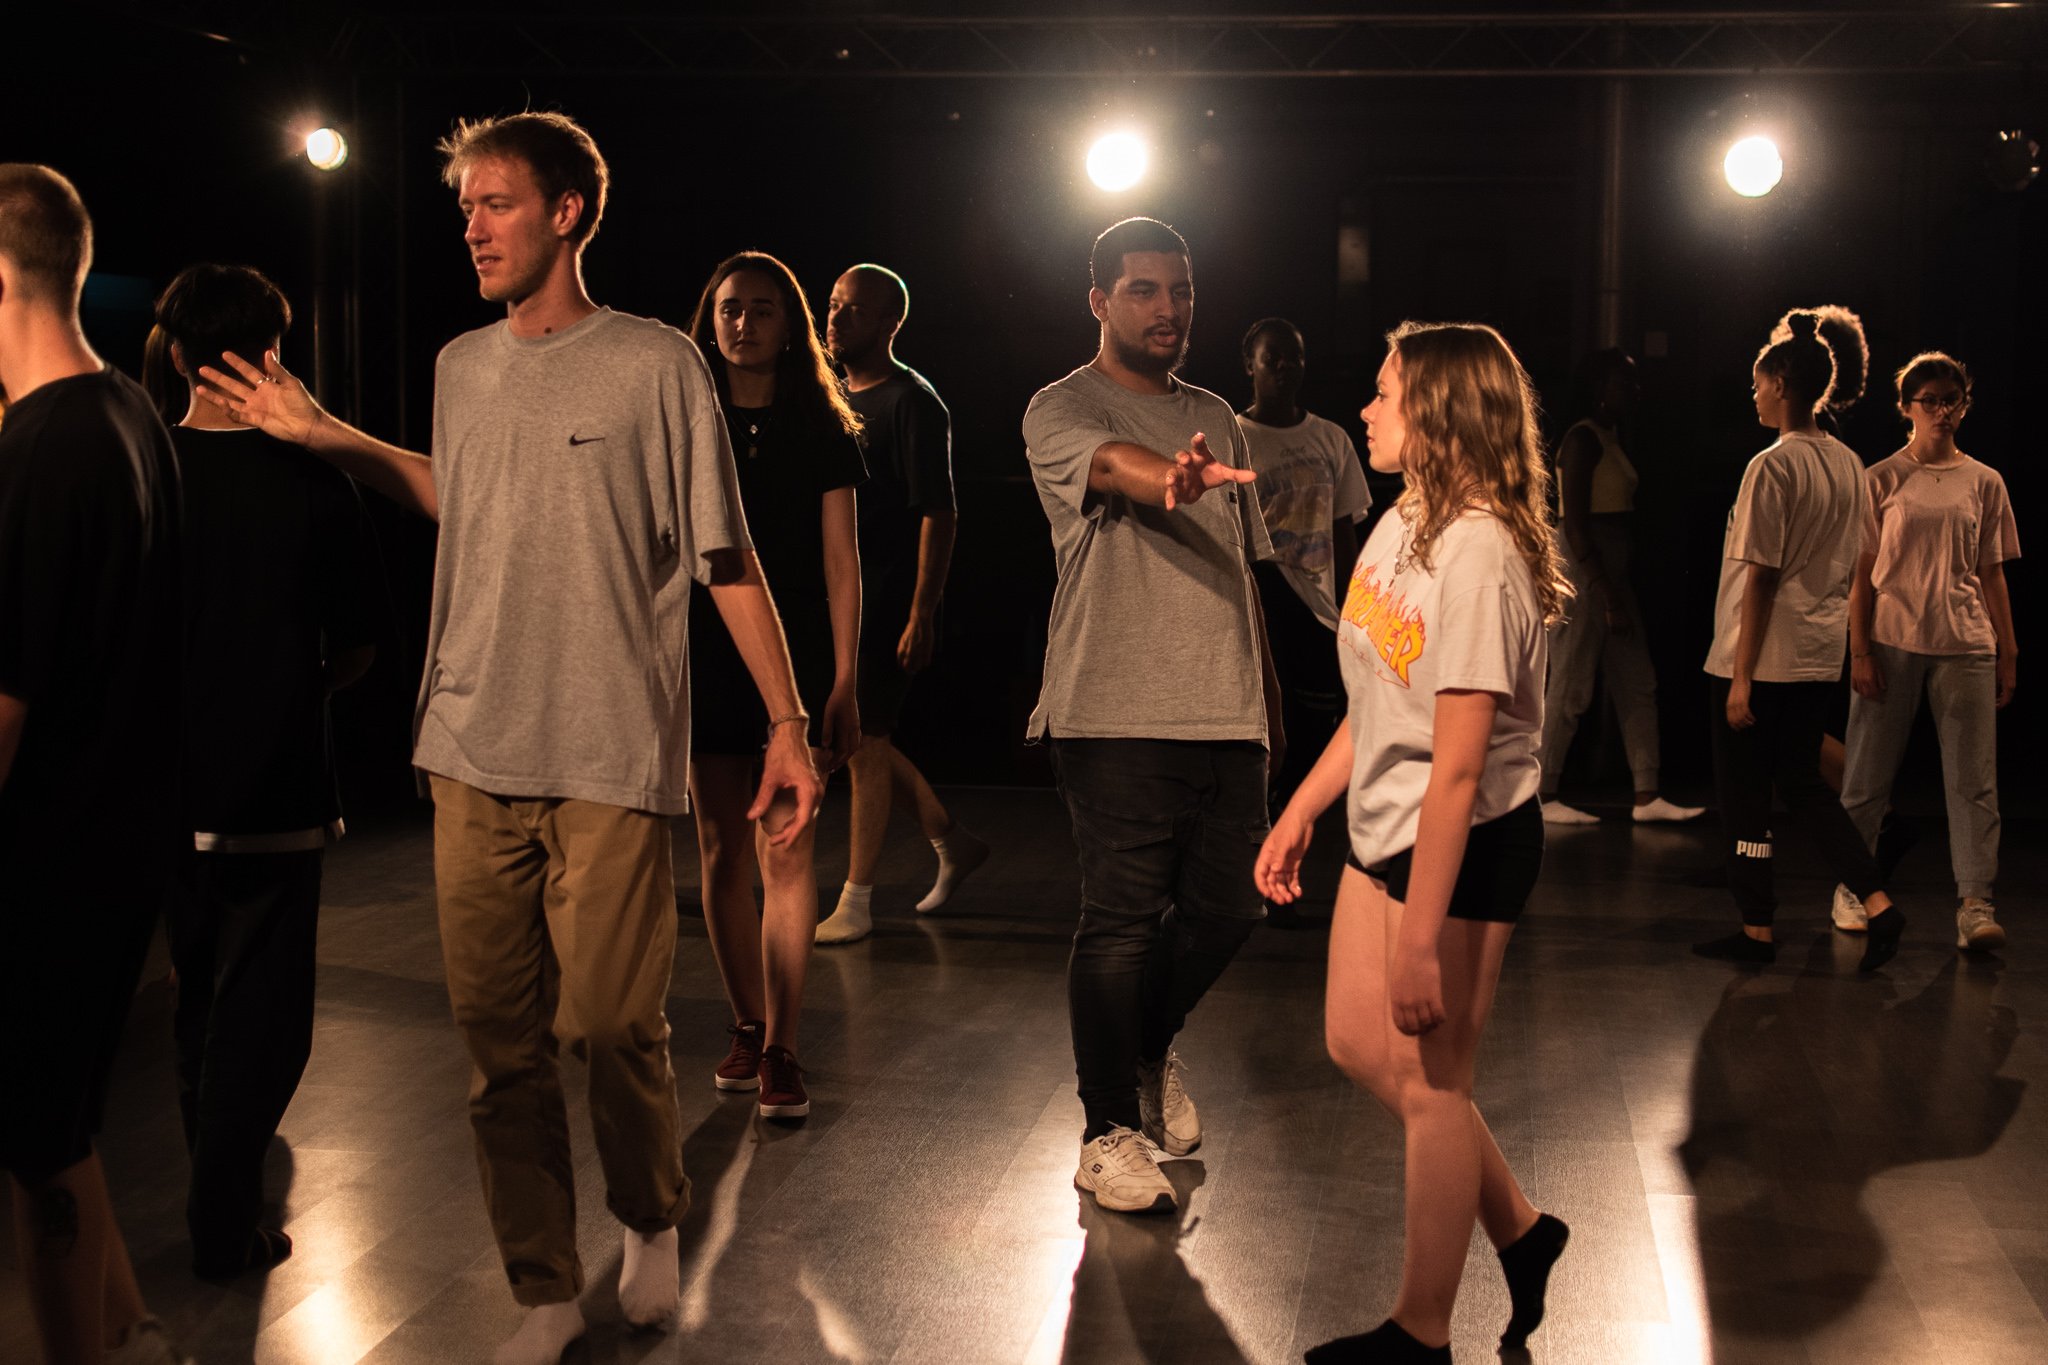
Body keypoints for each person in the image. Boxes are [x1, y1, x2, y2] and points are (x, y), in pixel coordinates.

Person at [196, 113, 824, 1365]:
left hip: (605, 757)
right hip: (467, 751)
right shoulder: (459, 365)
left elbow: (725, 556)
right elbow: (462, 490)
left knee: (608, 1028)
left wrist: (789, 725)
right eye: (465, 208)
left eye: (495, 204)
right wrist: (332, 438)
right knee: (500, 1052)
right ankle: (542, 1286)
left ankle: (647, 1211)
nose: (473, 228)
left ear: (566, 213)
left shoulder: (655, 366)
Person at [1258, 321, 1573, 1364]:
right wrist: (1303, 807)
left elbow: (1457, 765)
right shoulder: (1403, 521)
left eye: (1384, 393)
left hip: (1466, 842)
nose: (1366, 410)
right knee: (1357, 1043)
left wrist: (1417, 936)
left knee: (1435, 1088)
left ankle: (1420, 1334)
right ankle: (1521, 1237)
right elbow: (1378, 698)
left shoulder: (1479, 552)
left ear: (1437, 413)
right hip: (1385, 822)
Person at [1022, 216, 1279, 1215]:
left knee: (1230, 909)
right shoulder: (1060, 406)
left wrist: (1261, 699)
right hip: (1113, 707)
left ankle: (1140, 1051)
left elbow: (1244, 571)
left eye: (1178, 291)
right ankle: (1103, 1132)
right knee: (1122, 924)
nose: (1166, 308)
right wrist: (1162, 478)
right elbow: (1109, 469)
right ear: (1098, 302)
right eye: (1141, 291)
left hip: (1225, 707)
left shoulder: (1217, 410)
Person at [152, 264, 383, 1279]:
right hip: (280, 785)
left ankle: (221, 1192)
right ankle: (221, 1209)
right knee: (269, 1016)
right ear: (275, 353)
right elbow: (363, 643)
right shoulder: (314, 480)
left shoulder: (142, 469)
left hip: (162, 789)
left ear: (171, 353)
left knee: (195, 995)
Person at [0, 163, 193, 1365]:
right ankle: (131, 1334)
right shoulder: (128, 413)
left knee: (37, 1139)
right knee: (63, 1121)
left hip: (48, 859)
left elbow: (8, 702)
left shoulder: (40, 449)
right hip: (118, 847)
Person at [685, 251, 864, 1118]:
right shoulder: (686, 420)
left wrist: (844, 675)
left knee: (787, 851)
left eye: (761, 309)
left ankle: (785, 1045)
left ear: (790, 324)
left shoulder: (819, 425)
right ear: (708, 319)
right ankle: (748, 1024)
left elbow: (842, 564)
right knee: (722, 848)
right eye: (728, 309)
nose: (742, 323)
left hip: (793, 658)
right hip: (703, 652)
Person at [1694, 312, 1906, 973]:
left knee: (1746, 798)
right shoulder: (1848, 463)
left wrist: (1740, 675)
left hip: (1762, 655)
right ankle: (1877, 902)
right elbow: (1854, 561)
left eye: (1759, 383)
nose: (1753, 394)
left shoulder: (1772, 466)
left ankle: (1757, 929)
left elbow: (1759, 576)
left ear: (1782, 382)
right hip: (1817, 655)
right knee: (1807, 786)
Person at [814, 262, 986, 944]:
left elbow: (938, 513)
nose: (837, 318)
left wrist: (921, 611)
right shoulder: (829, 394)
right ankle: (951, 837)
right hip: (841, 594)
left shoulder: (915, 401)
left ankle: (857, 897)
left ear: (891, 322)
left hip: (888, 598)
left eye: (854, 309)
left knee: (866, 740)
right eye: (832, 305)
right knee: (863, 742)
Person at [1837, 352, 2018, 951]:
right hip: (1893, 638)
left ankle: (1974, 901)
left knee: (1973, 780)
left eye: (1952, 399)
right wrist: (1859, 649)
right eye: (1931, 400)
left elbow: (1991, 573)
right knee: (1867, 775)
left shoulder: (1984, 481)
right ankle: (1854, 887)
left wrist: (2008, 651)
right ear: (1907, 408)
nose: (1942, 410)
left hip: (1965, 642)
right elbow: (1862, 574)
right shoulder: (1882, 477)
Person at [1539, 349, 1701, 825]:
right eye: (1622, 383)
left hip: (1612, 567)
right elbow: (1574, 525)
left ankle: (1647, 794)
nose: (1633, 392)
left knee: (1637, 680)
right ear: (1598, 387)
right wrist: (1604, 590)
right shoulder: (1582, 440)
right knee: (1569, 684)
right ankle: (1542, 794)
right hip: (1585, 568)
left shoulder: (1610, 437)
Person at [1236, 317, 1371, 846]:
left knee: (1314, 733)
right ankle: (1255, 841)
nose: (1285, 369)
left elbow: (1343, 532)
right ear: (1251, 366)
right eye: (1274, 359)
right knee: (1269, 731)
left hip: (1319, 608)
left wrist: (1354, 612)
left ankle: (1288, 837)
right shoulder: (1234, 436)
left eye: (1294, 358)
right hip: (1265, 602)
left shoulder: (1329, 438)